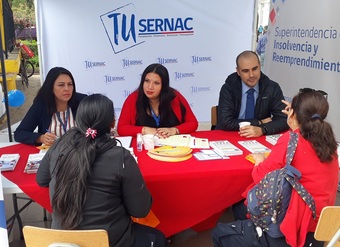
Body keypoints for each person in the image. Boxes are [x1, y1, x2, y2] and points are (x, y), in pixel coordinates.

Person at [36, 94, 167, 247]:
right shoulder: (120, 157)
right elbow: (140, 210)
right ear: (112, 123)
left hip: (63, 240)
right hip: (110, 240)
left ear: (79, 120)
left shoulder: (60, 146)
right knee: (157, 238)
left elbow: (41, 179)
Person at [212, 89, 339, 247]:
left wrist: (259, 160)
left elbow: (260, 176)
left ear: (292, 113)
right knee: (240, 209)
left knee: (219, 233)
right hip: (320, 233)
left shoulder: (291, 140)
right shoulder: (330, 144)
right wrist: (296, 118)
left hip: (292, 231)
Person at [215, 50, 289, 137]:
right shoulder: (228, 88)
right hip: (231, 135)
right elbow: (225, 122)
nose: (251, 75)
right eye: (245, 71)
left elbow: (283, 119)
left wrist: (262, 129)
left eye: (255, 69)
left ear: (260, 66)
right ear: (238, 71)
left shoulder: (272, 87)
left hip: (258, 136)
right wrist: (258, 122)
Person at [117, 63, 198, 138]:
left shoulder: (175, 97)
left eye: (156, 83)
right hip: (146, 146)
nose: (150, 87)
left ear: (164, 85)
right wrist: (144, 130)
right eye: (147, 81)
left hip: (172, 147)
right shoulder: (133, 98)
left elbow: (193, 123)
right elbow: (121, 128)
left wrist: (174, 130)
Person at [14, 67, 87, 145]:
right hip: (51, 153)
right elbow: (19, 133)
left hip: (80, 151)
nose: (67, 89)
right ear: (51, 87)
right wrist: (40, 138)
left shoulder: (83, 101)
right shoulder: (41, 105)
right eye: (61, 85)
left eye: (70, 84)